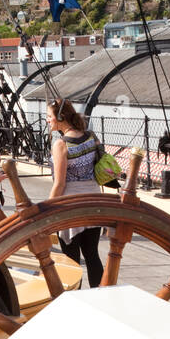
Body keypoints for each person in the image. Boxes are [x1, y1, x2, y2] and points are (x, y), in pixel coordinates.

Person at [48, 98, 105, 288]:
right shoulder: (91, 136)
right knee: (92, 254)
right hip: (93, 200)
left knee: (71, 259)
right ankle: (100, 294)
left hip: (71, 204)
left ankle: (76, 298)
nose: (48, 120)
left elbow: (60, 182)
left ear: (60, 118)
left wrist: (47, 208)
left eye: (49, 117)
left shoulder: (61, 144)